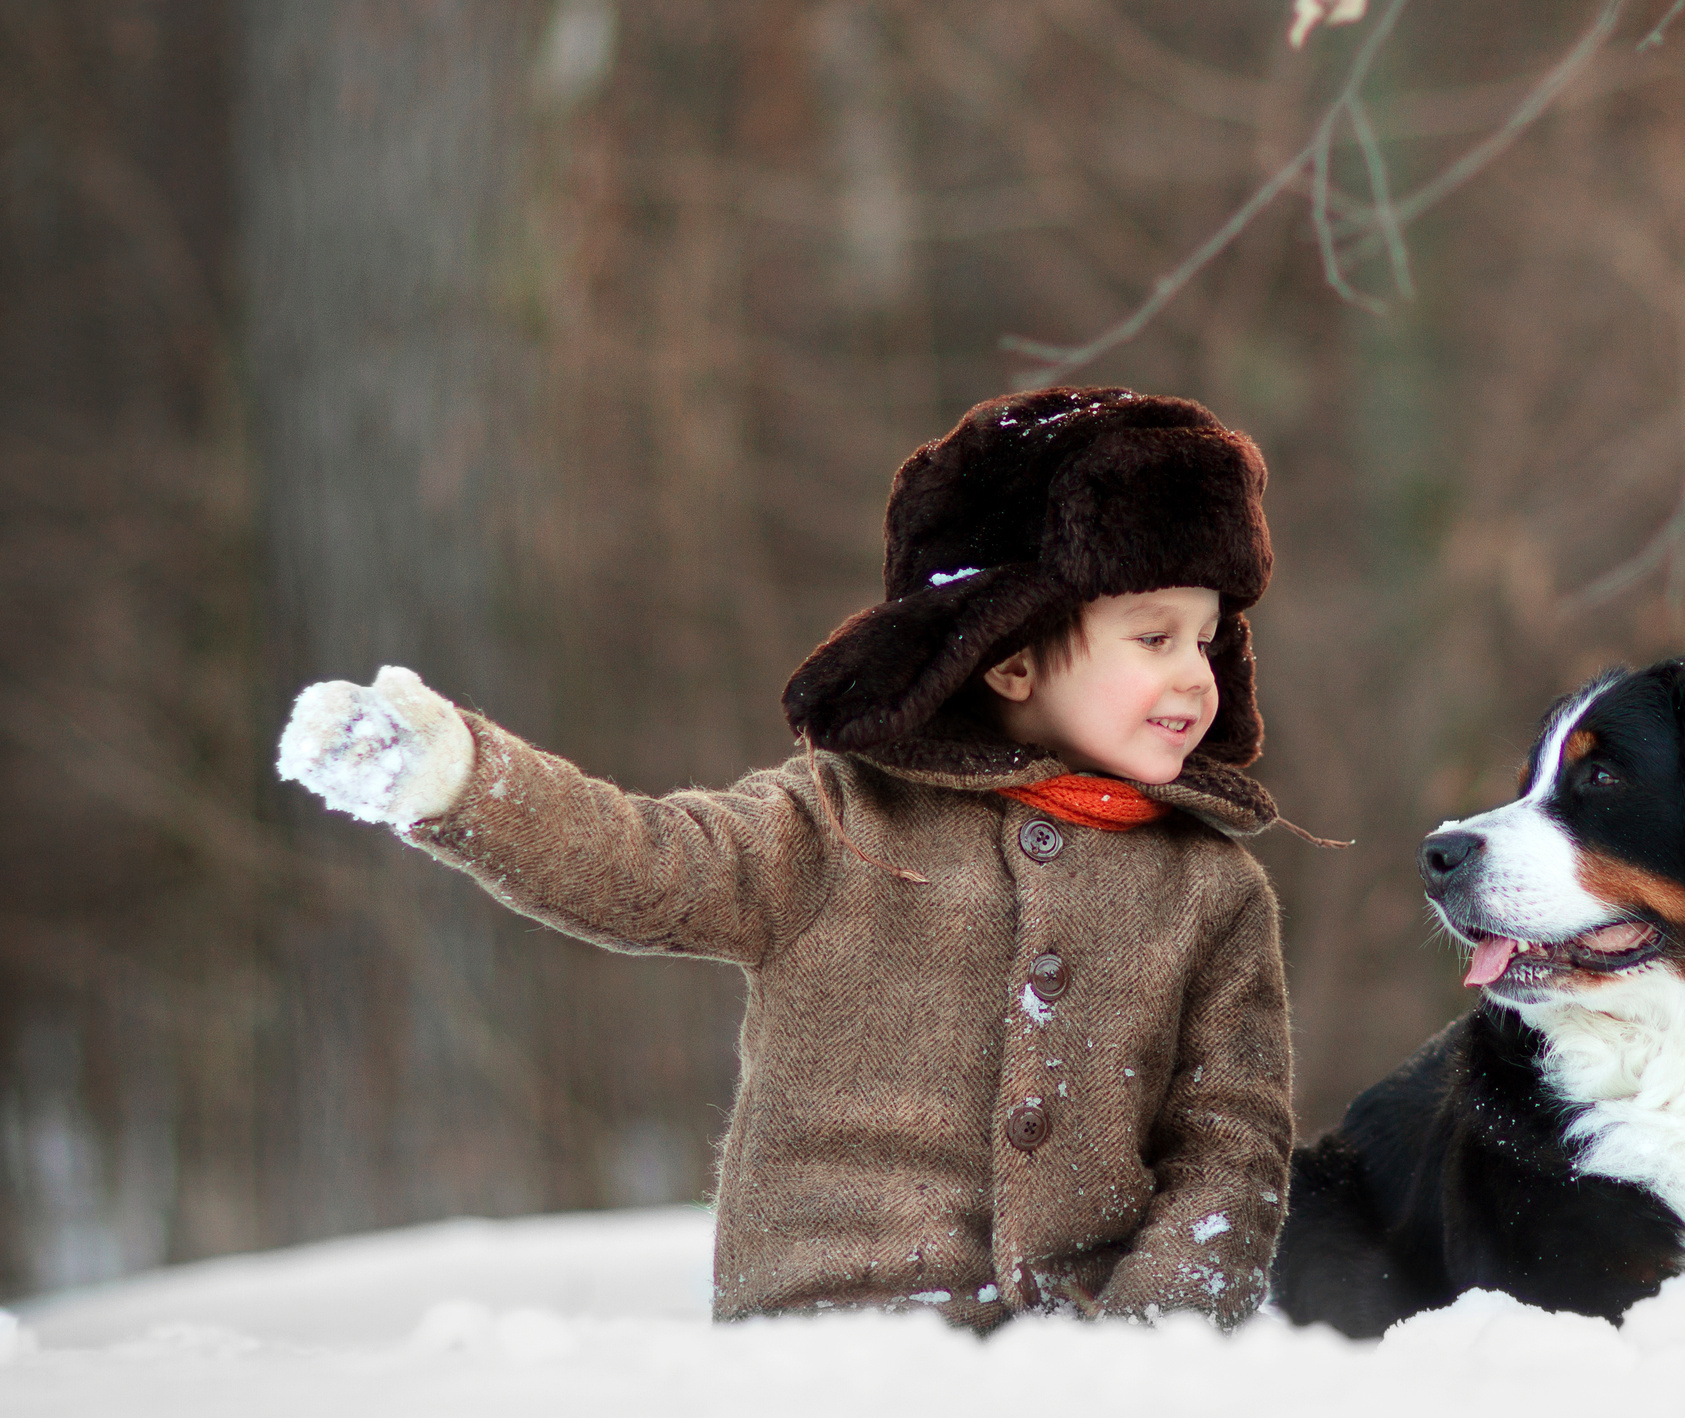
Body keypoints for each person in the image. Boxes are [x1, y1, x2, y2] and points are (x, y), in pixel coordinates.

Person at [276, 388, 1294, 1330]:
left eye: (1207, 642)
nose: (1193, 676)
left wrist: (1157, 1337)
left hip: (1073, 1364)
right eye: (1153, 637)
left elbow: (1229, 1146)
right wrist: (463, 780)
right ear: (1012, 654)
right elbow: (645, 864)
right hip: (825, 1350)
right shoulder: (834, 824)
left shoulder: (1211, 891)